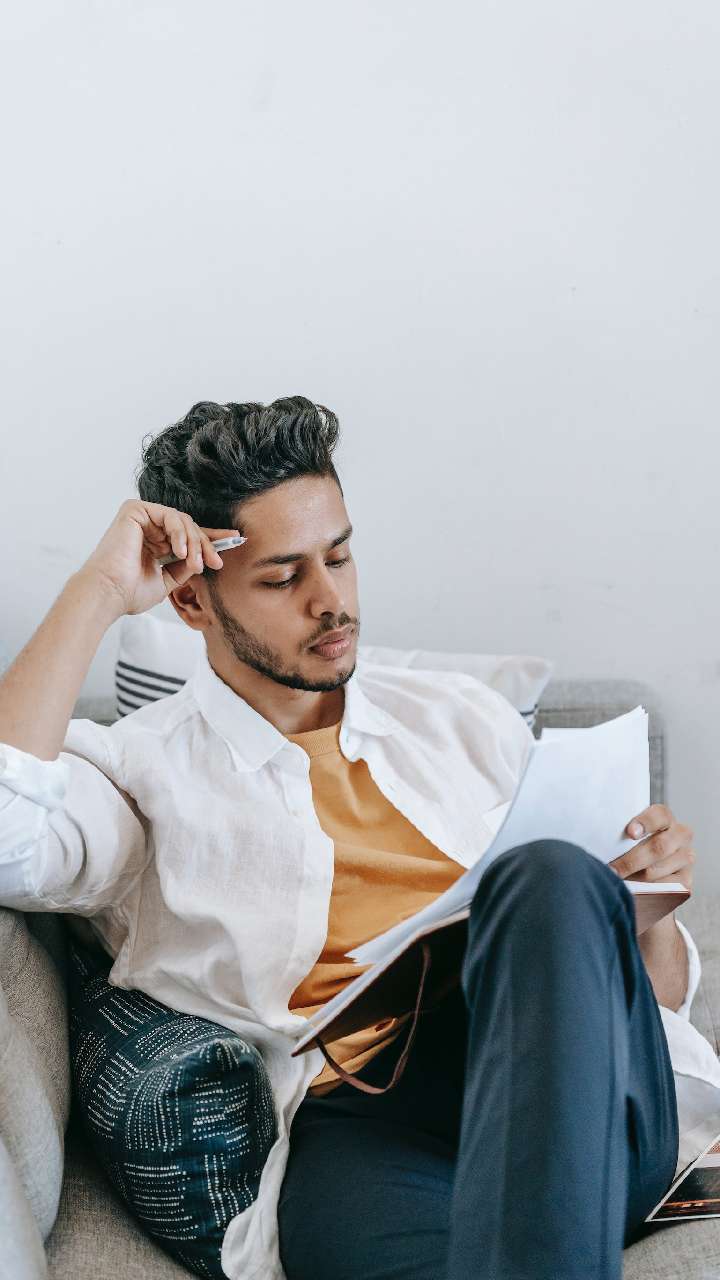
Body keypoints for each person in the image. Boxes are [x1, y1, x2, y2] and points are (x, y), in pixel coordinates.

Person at [0, 395, 718, 1280]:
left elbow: (659, 999)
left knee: (547, 878)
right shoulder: (138, 774)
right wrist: (101, 590)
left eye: (340, 556)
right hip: (366, 1129)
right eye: (282, 578)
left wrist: (642, 906)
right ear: (191, 597)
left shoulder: (463, 721)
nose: (331, 601)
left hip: (572, 1092)